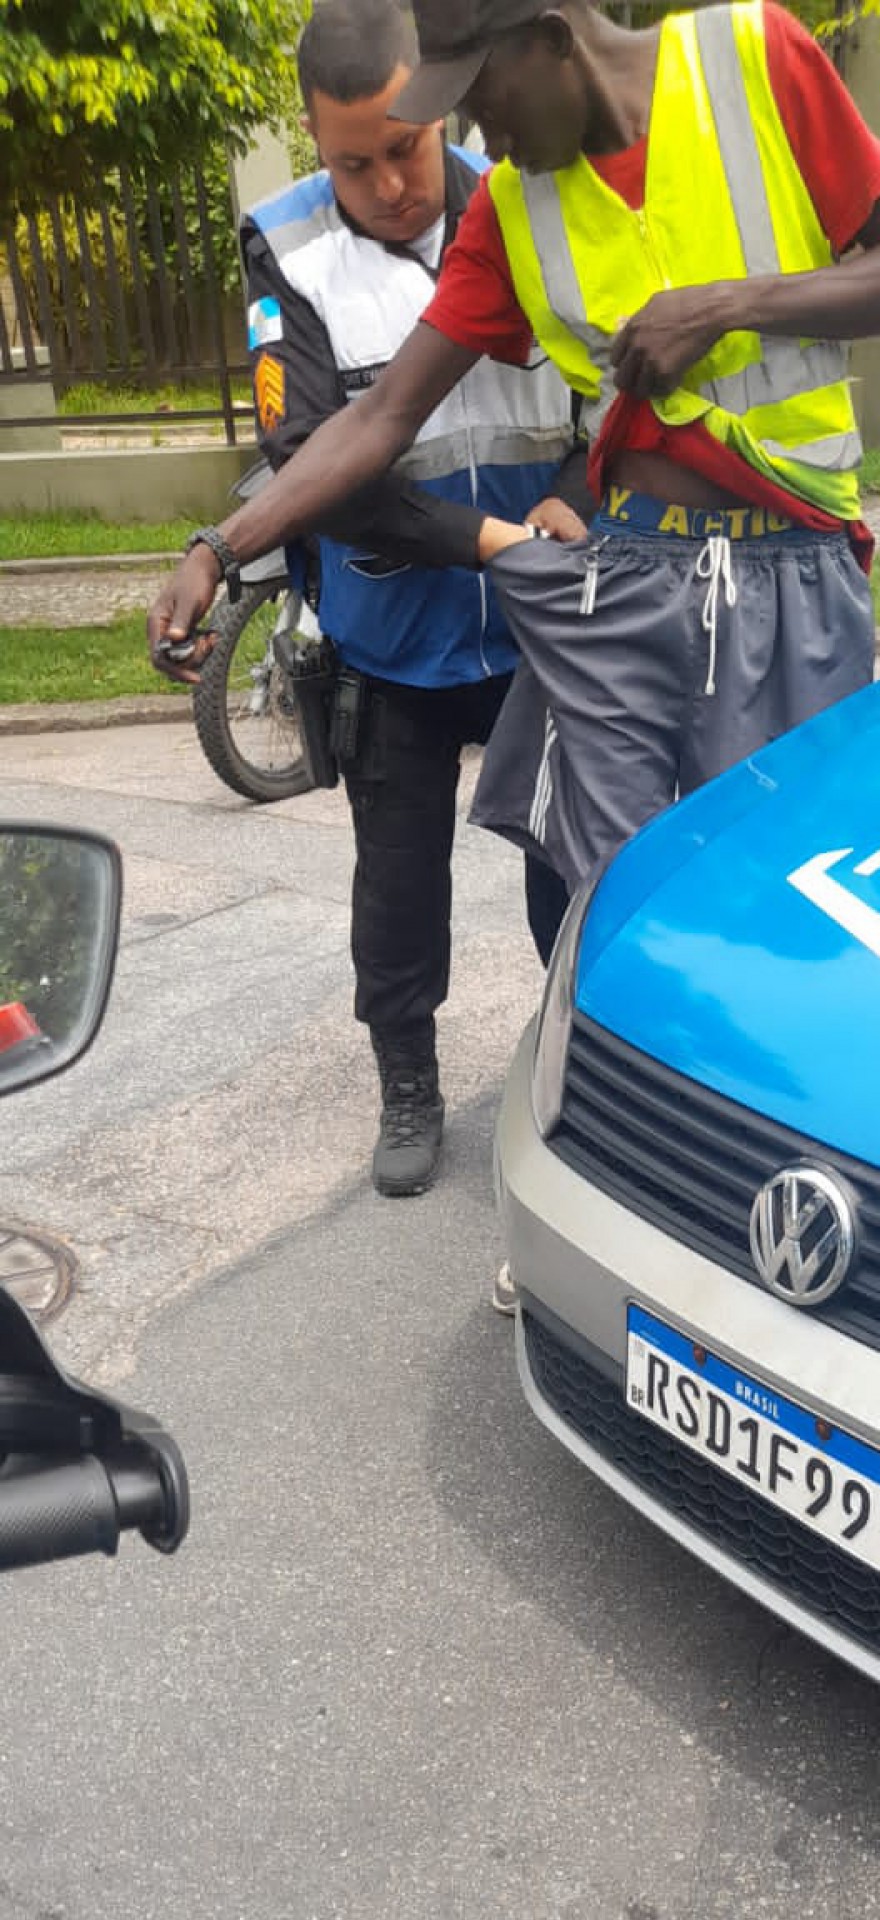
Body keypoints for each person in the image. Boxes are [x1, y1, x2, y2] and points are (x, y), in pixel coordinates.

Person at [150, 0, 880, 898]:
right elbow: (381, 415)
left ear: (549, 38)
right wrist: (220, 549)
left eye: (486, 101)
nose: (487, 142)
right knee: (616, 893)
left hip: (793, 569)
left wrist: (726, 304)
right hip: (627, 577)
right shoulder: (510, 206)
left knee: (784, 887)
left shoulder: (754, 55)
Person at [151, 0, 586, 1200]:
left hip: (542, 625)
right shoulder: (286, 249)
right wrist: (484, 541)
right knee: (398, 887)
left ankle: (587, 1061)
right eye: (355, 165)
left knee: (572, 863)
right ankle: (408, 1082)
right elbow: (312, 468)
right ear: (314, 143)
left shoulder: (530, 196)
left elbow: (611, 396)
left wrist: (572, 492)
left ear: (438, 108)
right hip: (392, 635)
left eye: (405, 148)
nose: (390, 186)